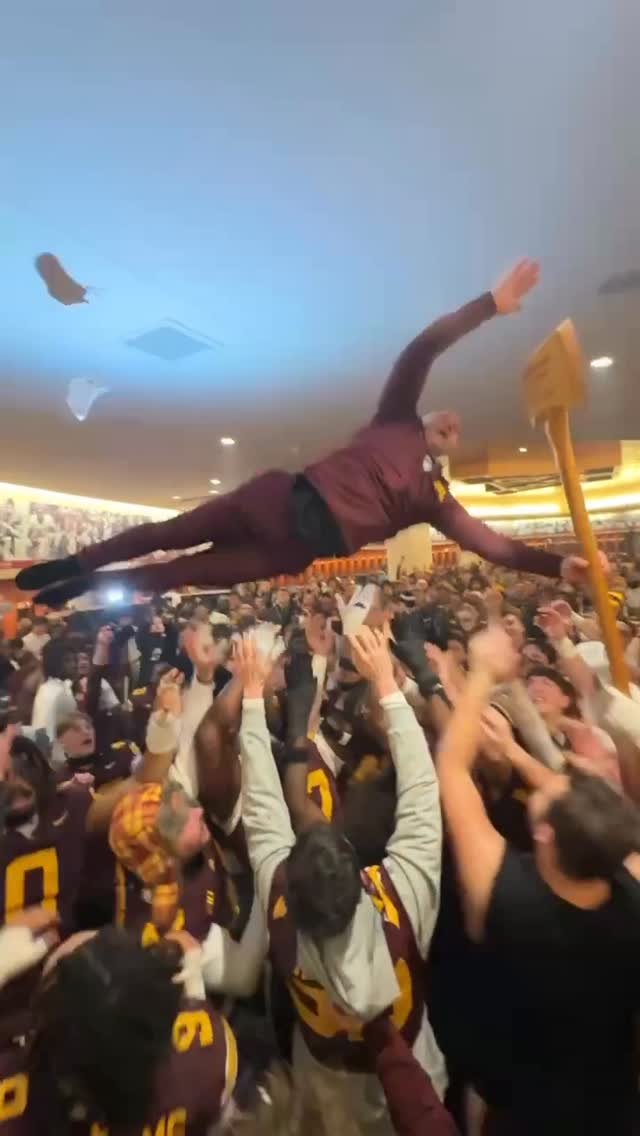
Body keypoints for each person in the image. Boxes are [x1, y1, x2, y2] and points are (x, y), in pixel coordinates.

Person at [16, 262, 603, 605]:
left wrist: (559, 567)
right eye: (446, 416)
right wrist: (490, 304)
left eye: (457, 430)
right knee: (167, 533)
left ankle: (86, 587)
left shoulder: (436, 499)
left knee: (181, 573)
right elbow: (422, 349)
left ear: (448, 450)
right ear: (425, 417)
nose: (454, 423)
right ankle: (76, 562)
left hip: (289, 550)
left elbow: (493, 547)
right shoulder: (396, 416)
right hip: (273, 499)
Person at [437, 624, 640, 1135]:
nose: (549, 781)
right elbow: (584, 813)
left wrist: (481, 673)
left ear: (545, 834)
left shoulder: (509, 897)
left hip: (521, 1112)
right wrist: (513, 751)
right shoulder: (629, 885)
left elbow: (453, 771)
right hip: (610, 1105)